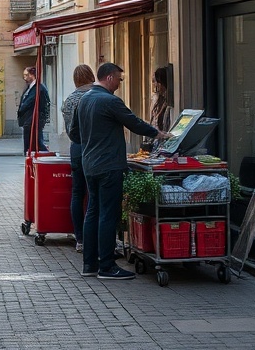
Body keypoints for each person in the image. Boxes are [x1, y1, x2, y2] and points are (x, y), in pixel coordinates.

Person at [67, 62, 171, 280]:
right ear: (110, 78)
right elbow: (133, 122)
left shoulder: (83, 100)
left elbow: (74, 133)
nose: (120, 84)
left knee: (93, 211)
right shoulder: (110, 101)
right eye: (119, 79)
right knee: (108, 213)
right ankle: (106, 266)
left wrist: (90, 145)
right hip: (109, 165)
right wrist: (158, 133)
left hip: (89, 164)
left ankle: (89, 264)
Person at [60, 64, 96, 253]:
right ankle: (92, 238)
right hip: (93, 148)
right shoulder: (94, 96)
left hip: (76, 148)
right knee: (93, 193)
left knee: (77, 193)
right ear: (91, 76)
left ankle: (79, 238)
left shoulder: (69, 99)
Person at [17, 66, 50, 153]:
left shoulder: (38, 88)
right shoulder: (30, 87)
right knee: (33, 143)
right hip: (29, 119)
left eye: (26, 75)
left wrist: (22, 109)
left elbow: (29, 102)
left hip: (33, 119)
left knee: (36, 143)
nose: (24, 78)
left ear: (32, 75)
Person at [145, 66, 172, 152]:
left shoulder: (168, 101)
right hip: (157, 139)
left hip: (164, 138)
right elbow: (153, 121)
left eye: (155, 81)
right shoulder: (156, 98)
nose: (155, 84)